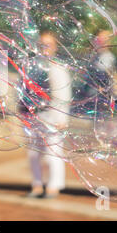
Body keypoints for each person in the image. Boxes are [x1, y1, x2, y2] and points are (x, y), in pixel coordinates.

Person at [26, 30, 72, 199]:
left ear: (54, 47)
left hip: (52, 115)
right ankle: (37, 184)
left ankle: (54, 186)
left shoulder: (58, 68)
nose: (44, 48)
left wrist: (62, 118)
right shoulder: (33, 66)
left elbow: (64, 96)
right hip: (34, 115)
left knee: (53, 152)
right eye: (41, 45)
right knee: (33, 153)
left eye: (48, 45)